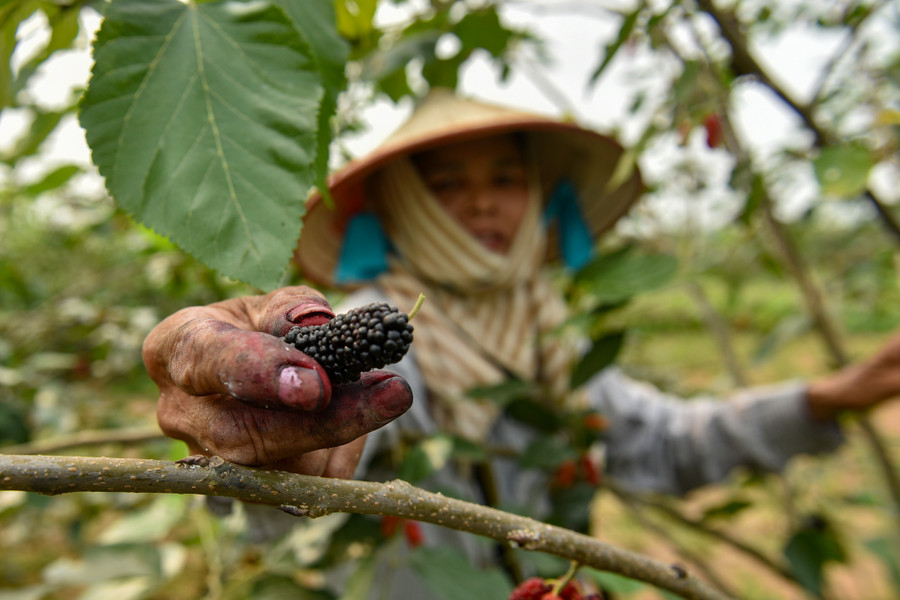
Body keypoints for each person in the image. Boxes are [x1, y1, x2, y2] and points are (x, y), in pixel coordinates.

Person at [142, 90, 900, 596]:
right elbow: (296, 485)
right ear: (398, 207)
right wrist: (266, 453)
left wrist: (823, 399)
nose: (481, 200)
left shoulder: (547, 329)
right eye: (444, 184)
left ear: (538, 196)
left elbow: (660, 443)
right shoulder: (355, 337)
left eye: (505, 176)